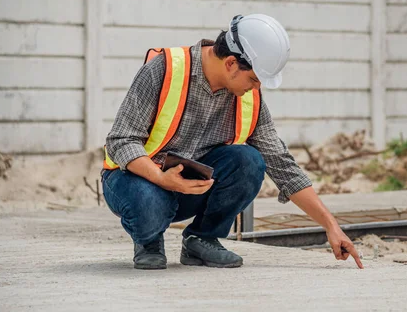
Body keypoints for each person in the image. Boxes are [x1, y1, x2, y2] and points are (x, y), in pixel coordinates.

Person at [101, 14, 363, 270]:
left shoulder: (248, 96)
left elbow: (281, 164)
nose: (256, 88)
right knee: (149, 203)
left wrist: (331, 225)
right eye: (253, 79)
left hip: (189, 188)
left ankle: (201, 239)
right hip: (135, 181)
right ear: (230, 63)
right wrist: (161, 178)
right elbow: (121, 139)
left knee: (249, 161)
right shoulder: (165, 70)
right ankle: (148, 241)